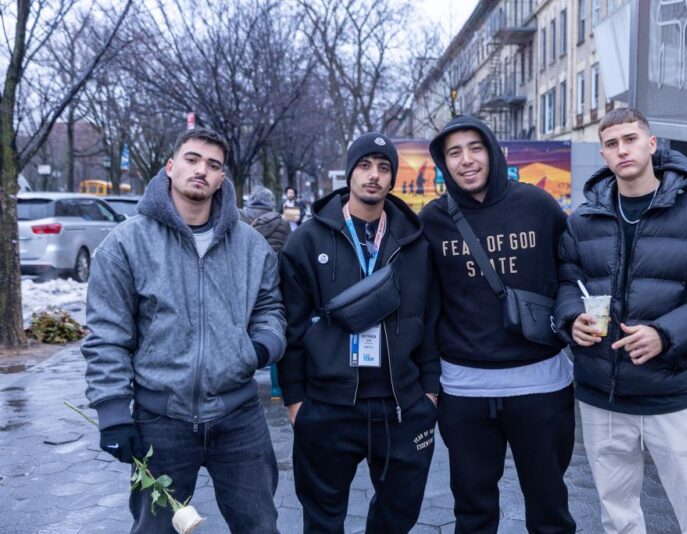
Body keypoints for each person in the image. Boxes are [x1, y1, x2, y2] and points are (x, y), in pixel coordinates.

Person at [82, 128, 287, 533]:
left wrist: (258, 349)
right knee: (155, 528)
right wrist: (112, 412)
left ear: (221, 179)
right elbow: (107, 333)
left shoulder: (250, 245)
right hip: (161, 419)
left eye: (213, 165)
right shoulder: (126, 243)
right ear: (170, 166)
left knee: (260, 525)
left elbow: (270, 308)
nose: (201, 170)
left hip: (239, 417)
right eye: (192, 159)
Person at [555, 108, 687, 533]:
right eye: (611, 144)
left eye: (630, 139)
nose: (622, 150)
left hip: (673, 393)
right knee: (618, 517)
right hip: (602, 396)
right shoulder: (583, 219)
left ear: (651, 143)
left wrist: (665, 334)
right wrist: (571, 319)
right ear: (603, 154)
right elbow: (567, 282)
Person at [419, 115, 576, 533]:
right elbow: (426, 305)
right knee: (473, 514)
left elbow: (570, 275)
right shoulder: (433, 220)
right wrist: (428, 380)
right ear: (444, 163)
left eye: (475, 148)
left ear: (492, 151)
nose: (467, 160)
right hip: (465, 390)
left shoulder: (539, 207)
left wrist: (570, 316)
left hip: (540, 386)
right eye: (454, 153)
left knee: (550, 511)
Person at [279, 132, 441, 533]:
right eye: (365, 166)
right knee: (322, 521)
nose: (374, 175)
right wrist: (295, 402)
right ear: (350, 172)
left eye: (384, 168)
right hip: (327, 406)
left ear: (392, 178)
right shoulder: (306, 241)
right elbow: (291, 326)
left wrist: (429, 393)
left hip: (401, 406)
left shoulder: (415, 243)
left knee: (397, 517)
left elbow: (431, 319)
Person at [240, 185, 292, 400]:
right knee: (272, 332)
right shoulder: (282, 224)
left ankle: (240, 382)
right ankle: (276, 390)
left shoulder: (238, 218)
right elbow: (288, 254)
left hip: (242, 283)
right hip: (271, 283)